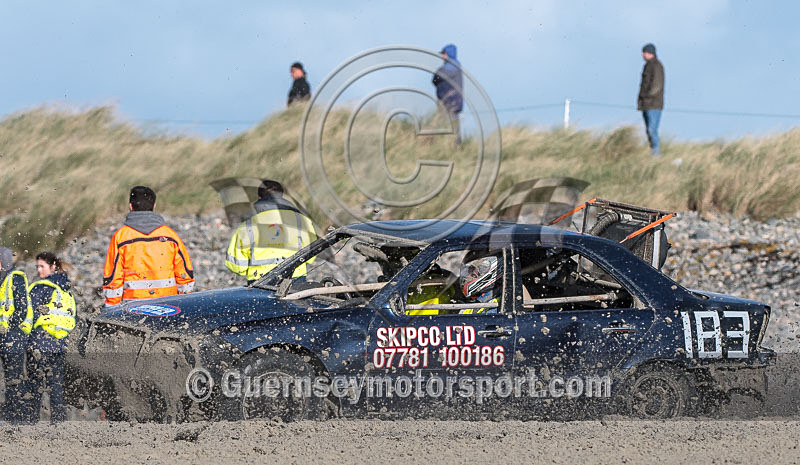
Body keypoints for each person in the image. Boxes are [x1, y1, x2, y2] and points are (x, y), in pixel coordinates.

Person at [102, 186, 195, 307]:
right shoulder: (170, 236)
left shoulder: (121, 237)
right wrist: (184, 303)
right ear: (154, 206)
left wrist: (111, 307)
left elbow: (113, 277)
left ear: (131, 206)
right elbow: (185, 275)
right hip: (169, 305)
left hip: (133, 306)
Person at [226, 180, 317, 283]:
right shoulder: (302, 221)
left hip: (259, 282)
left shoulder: (247, 226)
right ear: (281, 196)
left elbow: (237, 266)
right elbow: (311, 255)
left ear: (260, 198)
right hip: (295, 280)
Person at [27, 252, 76, 423]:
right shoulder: (66, 289)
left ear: (53, 267)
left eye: (42, 266)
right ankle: (58, 422)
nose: (39, 270)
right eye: (37, 267)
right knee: (57, 386)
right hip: (60, 343)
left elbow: (28, 315)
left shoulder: (41, 287)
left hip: (40, 342)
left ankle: (31, 422)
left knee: (34, 386)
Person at [0, 247, 34, 423]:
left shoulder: (16, 277)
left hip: (14, 336)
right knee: (7, 377)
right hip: (4, 336)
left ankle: (18, 416)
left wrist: (10, 330)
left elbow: (21, 310)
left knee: (14, 378)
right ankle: (9, 413)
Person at [432, 44, 463, 145]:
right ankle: (457, 146)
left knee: (443, 125)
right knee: (454, 126)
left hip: (447, 102)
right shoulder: (458, 67)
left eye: (444, 54)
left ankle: (448, 146)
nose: (442, 56)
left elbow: (435, 79)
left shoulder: (446, 68)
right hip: (456, 102)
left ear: (448, 54)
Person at [638, 43, 665, 156]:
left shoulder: (657, 66)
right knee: (649, 131)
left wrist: (647, 96)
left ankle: (656, 155)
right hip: (646, 104)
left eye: (644, 52)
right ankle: (653, 153)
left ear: (650, 53)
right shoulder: (647, 65)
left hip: (653, 104)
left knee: (652, 130)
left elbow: (657, 85)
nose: (642, 54)